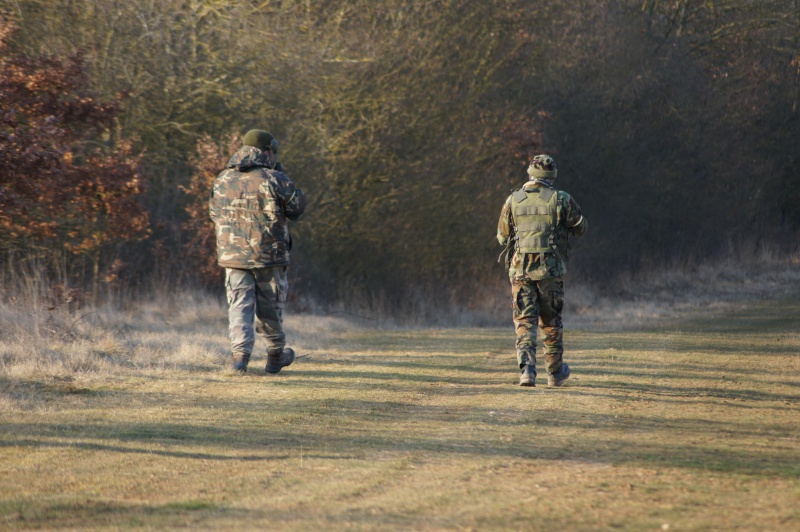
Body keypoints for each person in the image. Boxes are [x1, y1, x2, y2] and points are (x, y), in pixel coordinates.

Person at [209, 129, 307, 373]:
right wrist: (284, 179)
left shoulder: (222, 178)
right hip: (269, 255)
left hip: (233, 256)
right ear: (266, 151)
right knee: (270, 307)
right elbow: (297, 209)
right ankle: (275, 357)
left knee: (239, 305)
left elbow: (213, 214)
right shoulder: (274, 178)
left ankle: (239, 360)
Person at [497, 154, 587, 387]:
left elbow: (501, 237)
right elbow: (581, 227)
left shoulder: (513, 200)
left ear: (530, 174)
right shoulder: (562, 199)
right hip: (550, 271)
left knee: (525, 322)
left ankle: (527, 371)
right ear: (552, 177)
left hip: (520, 272)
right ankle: (555, 373)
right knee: (550, 322)